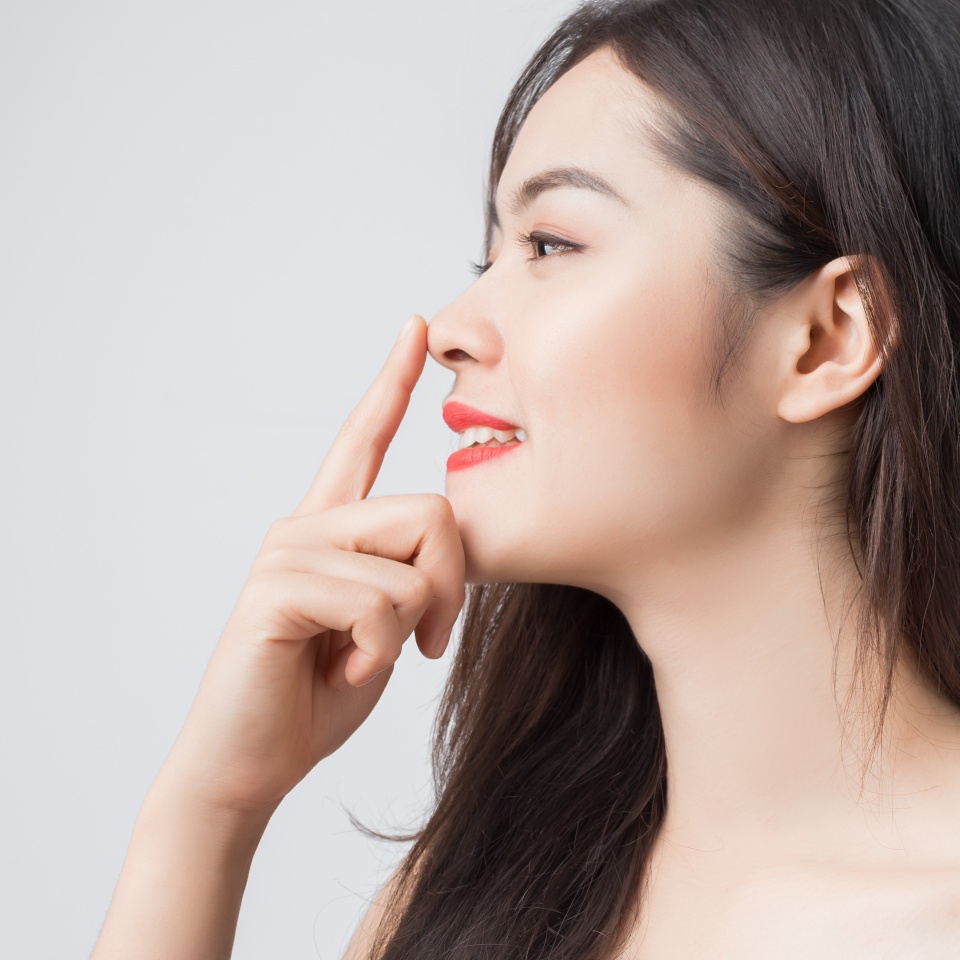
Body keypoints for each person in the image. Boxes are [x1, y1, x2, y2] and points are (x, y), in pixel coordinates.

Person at [89, 0, 960, 957]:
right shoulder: (473, 893)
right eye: (490, 252)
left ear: (827, 338)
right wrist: (211, 808)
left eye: (551, 244)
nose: (453, 326)